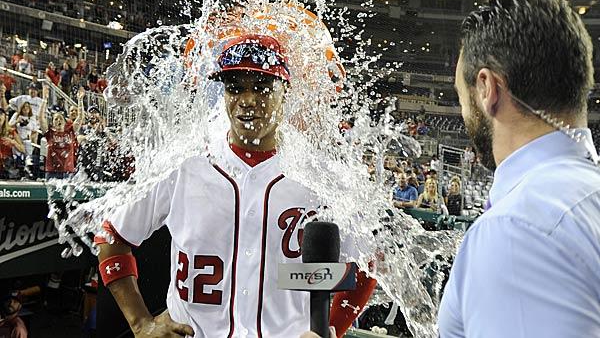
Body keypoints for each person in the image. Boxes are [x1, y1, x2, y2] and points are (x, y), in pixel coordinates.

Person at [96, 33, 376, 338]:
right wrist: (141, 323)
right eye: (235, 88)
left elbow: (366, 265)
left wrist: (331, 329)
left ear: (286, 93)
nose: (247, 100)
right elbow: (111, 235)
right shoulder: (184, 163)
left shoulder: (319, 176)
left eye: (262, 88)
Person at [438, 0, 600, 337]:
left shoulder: (518, 229)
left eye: (460, 97)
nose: (464, 113)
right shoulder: (584, 198)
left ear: (487, 88)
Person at [39, 85, 84, 180]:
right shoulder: (49, 133)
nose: (58, 120)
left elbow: (80, 118)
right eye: (56, 119)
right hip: (52, 171)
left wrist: (80, 100)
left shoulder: (70, 131)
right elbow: (40, 118)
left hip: (68, 171)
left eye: (60, 119)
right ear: (52, 122)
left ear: (65, 122)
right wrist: (44, 100)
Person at [8, 101, 36, 170]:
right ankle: (17, 172)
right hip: (17, 140)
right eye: (24, 107)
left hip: (27, 140)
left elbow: (35, 130)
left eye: (27, 107)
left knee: (28, 158)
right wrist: (17, 121)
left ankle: (27, 172)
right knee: (17, 158)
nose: (25, 108)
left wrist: (32, 139)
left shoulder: (32, 117)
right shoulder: (16, 115)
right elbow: (8, 126)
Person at [0, 108, 25, 178]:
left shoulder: (11, 131)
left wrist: (13, 142)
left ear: (5, 117)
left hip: (7, 166)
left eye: (1, 114)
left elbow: (23, 149)